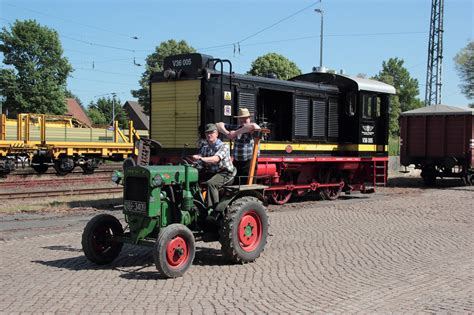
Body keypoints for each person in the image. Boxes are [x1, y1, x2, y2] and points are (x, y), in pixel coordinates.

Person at [192, 123, 234, 208]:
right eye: (207, 133)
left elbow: (216, 159)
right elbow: (200, 163)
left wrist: (201, 158)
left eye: (211, 132)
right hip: (212, 172)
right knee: (193, 180)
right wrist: (193, 164)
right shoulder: (205, 147)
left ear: (217, 134)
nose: (209, 135)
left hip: (225, 173)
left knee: (211, 183)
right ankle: (197, 204)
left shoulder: (223, 146)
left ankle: (214, 208)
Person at [216, 108, 261, 182]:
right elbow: (218, 125)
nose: (243, 123)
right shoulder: (237, 127)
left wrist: (235, 133)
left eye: (245, 120)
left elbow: (254, 126)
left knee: (248, 184)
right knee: (237, 184)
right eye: (241, 120)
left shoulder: (252, 129)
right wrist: (227, 133)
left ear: (249, 119)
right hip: (237, 162)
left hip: (249, 163)